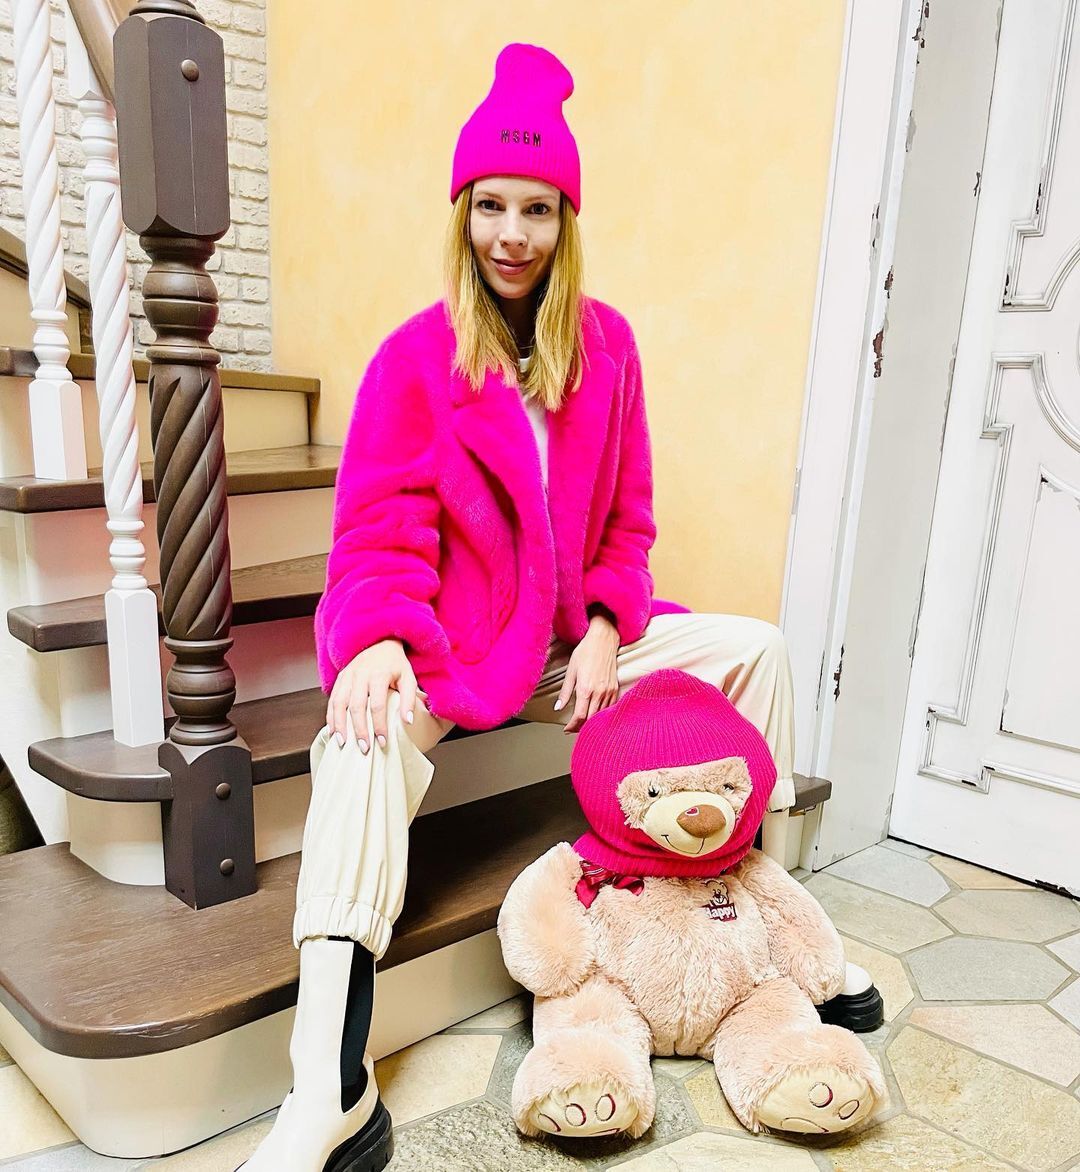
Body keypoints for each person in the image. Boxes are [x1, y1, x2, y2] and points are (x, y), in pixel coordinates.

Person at [240, 42, 798, 1172]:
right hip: (453, 653)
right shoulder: (413, 360)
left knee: (759, 648)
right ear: (464, 213)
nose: (512, 233)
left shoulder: (609, 349)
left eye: (536, 209)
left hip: (568, 648)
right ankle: (327, 1087)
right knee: (356, 744)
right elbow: (376, 532)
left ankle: (773, 931)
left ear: (565, 220)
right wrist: (376, 639)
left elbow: (628, 524)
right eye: (491, 205)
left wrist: (606, 627)